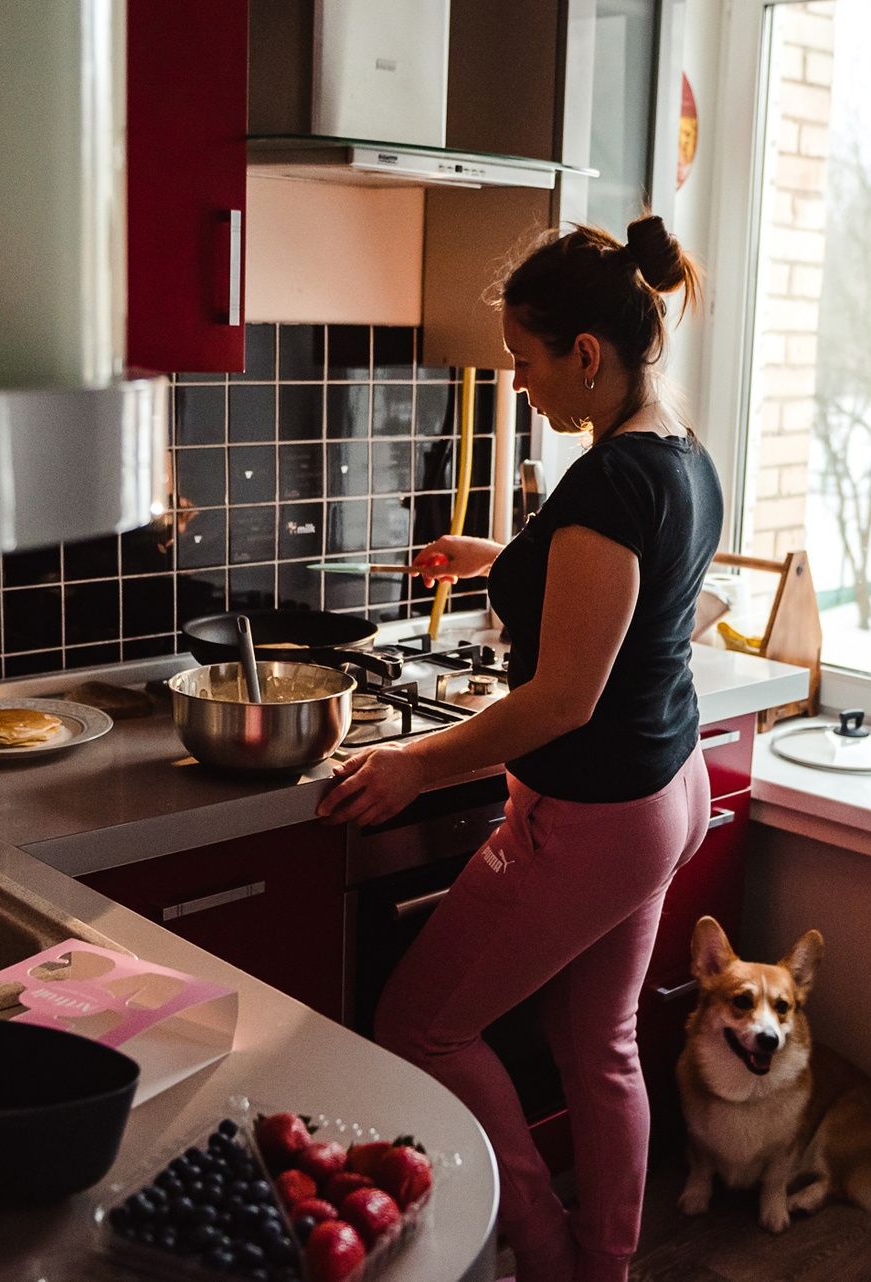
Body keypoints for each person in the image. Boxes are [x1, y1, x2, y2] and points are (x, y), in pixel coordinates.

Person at [316, 215, 722, 1282]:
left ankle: (539, 1249)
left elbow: (562, 702)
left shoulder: (608, 482)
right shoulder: (679, 453)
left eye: (526, 360)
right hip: (666, 787)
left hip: (593, 812)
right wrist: (498, 557)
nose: (519, 383)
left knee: (420, 1025)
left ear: (586, 354)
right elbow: (622, 586)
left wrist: (415, 764)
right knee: (602, 1044)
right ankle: (603, 1269)